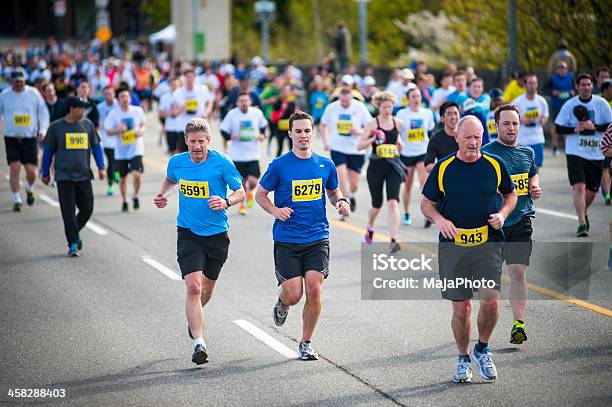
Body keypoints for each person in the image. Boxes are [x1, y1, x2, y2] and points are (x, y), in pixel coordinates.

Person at [421, 115, 517, 383]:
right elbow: (426, 203)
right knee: (462, 308)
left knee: (491, 299)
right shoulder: (443, 168)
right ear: (457, 138)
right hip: (454, 247)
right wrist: (440, 220)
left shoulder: (495, 165)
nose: (474, 143)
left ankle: (482, 349)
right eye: (468, 138)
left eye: (478, 137)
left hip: (487, 244)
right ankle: (463, 358)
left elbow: (511, 195)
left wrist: (503, 214)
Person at [256, 111, 350, 360]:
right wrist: (276, 210)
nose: (303, 135)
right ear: (290, 134)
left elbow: (332, 191)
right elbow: (260, 195)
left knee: (315, 290)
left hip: (317, 236)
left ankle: (306, 342)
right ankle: (283, 303)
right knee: (294, 293)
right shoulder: (280, 165)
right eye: (297, 131)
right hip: (287, 238)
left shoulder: (325, 164)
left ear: (313, 133)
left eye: (307, 130)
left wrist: (340, 201)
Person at [154, 118, 245, 365]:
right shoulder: (177, 162)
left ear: (208, 141)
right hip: (188, 233)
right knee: (193, 287)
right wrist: (164, 195)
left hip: (216, 235)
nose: (197, 146)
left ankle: (195, 317)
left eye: (201, 142)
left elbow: (241, 192)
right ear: (186, 141)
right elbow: (171, 179)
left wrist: (226, 202)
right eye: (192, 141)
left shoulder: (222, 162)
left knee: (207, 290)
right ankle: (199, 343)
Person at [482, 105, 542, 345]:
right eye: (506, 123)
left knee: (517, 272)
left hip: (521, 221)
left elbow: (532, 173)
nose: (511, 128)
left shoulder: (527, 152)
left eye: (515, 123)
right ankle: (485, 322)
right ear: (496, 126)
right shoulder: (486, 153)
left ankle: (518, 323)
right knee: (490, 283)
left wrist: (535, 185)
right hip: (494, 224)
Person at [41, 97, 106, 256]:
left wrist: (101, 167)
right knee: (68, 212)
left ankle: (74, 234)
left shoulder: (87, 125)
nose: (83, 111)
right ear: (72, 109)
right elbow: (48, 152)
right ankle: (73, 244)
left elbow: (96, 147)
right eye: (80, 108)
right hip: (64, 176)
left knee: (87, 209)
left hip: (83, 174)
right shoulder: (56, 128)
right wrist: (45, 173)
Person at [555, 73, 611, 236]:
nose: (586, 87)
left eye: (588, 84)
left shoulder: (601, 104)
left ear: (593, 86)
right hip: (575, 151)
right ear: (577, 87)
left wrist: (595, 127)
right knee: (579, 187)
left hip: (596, 153)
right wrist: (574, 129)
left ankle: (582, 212)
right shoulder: (569, 105)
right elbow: (558, 127)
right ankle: (581, 224)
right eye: (583, 85)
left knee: (592, 192)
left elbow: (609, 126)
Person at [357, 91, 405, 251]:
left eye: (390, 107)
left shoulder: (398, 123)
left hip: (393, 166)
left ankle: (393, 239)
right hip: (376, 166)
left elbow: (396, 139)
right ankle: (370, 226)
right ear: (379, 107)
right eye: (384, 107)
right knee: (376, 205)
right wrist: (373, 138)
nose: (387, 110)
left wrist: (399, 145)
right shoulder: (372, 123)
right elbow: (359, 145)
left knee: (392, 202)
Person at [0, 69, 49, 211]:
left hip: (29, 138)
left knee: (31, 171)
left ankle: (29, 188)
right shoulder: (4, 95)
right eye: (17, 82)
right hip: (11, 137)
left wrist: (43, 130)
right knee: (14, 168)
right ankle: (16, 199)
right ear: (11, 82)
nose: (20, 84)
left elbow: (43, 113)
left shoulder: (33, 93)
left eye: (22, 82)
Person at [320, 88, 372, 217]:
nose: (344, 104)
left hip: (356, 150)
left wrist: (358, 131)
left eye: (347, 102)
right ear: (339, 98)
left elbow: (371, 126)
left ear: (351, 98)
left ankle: (351, 195)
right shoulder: (332, 107)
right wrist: (326, 142)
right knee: (341, 177)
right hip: (338, 148)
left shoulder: (360, 107)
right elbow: (323, 124)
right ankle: (345, 203)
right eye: (342, 101)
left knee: (354, 183)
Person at [219, 92, 268, 215]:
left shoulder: (256, 113)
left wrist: (262, 135)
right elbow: (223, 130)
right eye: (241, 101)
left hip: (252, 154)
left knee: (253, 181)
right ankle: (242, 205)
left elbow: (263, 125)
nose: (244, 103)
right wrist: (230, 136)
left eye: (246, 100)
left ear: (250, 102)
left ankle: (249, 192)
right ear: (237, 102)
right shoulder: (232, 114)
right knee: (240, 183)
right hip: (237, 155)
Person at [396, 88, 435, 226]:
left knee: (425, 184)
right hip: (406, 153)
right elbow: (397, 133)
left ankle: (427, 214)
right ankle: (406, 213)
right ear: (408, 99)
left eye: (418, 96)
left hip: (422, 152)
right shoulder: (401, 114)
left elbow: (430, 132)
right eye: (413, 96)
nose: (416, 99)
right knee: (407, 185)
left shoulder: (427, 113)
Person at [104, 86, 146, 212]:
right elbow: (108, 132)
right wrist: (118, 130)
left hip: (136, 148)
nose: (125, 99)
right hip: (121, 152)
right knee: (123, 178)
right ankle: (124, 200)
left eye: (127, 96)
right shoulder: (113, 114)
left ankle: (135, 196)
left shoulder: (137, 111)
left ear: (130, 97)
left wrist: (141, 131)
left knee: (137, 175)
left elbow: (143, 124)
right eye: (122, 97)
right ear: (118, 99)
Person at [511, 74, 549, 168]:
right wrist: (520, 120)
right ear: (524, 85)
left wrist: (543, 120)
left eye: (534, 83)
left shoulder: (541, 101)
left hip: (537, 139)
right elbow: (509, 117)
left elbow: (545, 115)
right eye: (530, 83)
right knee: (523, 167)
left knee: (536, 167)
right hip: (523, 139)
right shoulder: (517, 102)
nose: (532, 86)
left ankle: (534, 183)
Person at [172, 68, 213, 153]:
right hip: (183, 127)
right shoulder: (178, 93)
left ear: (195, 78)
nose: (189, 79)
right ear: (184, 78)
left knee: (201, 152)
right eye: (187, 77)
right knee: (184, 154)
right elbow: (174, 112)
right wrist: (183, 107)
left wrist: (207, 112)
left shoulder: (202, 89)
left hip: (200, 126)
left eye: (191, 77)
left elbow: (209, 102)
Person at [548, 61, 575, 156]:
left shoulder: (571, 76)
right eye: (560, 68)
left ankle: (567, 146)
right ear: (557, 69)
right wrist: (553, 92)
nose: (562, 70)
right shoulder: (553, 78)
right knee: (555, 125)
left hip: (568, 105)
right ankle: (554, 146)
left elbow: (576, 88)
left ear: (567, 69)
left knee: (567, 124)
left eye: (564, 68)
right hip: (556, 105)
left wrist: (573, 91)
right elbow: (545, 89)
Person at [424, 102, 460, 173]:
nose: (453, 117)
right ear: (442, 119)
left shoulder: (466, 135)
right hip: (446, 177)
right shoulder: (435, 139)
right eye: (449, 114)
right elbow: (428, 166)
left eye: (455, 113)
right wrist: (447, 167)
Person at [97, 86, 119, 195]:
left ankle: (117, 172)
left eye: (110, 93)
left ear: (114, 94)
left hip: (119, 138)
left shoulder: (119, 105)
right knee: (110, 161)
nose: (108, 96)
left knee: (117, 161)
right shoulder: (100, 107)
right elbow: (97, 123)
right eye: (105, 94)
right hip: (107, 138)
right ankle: (110, 185)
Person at [158, 76, 181, 154]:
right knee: (172, 151)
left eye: (176, 85)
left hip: (182, 127)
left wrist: (178, 111)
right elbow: (160, 114)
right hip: (170, 127)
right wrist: (169, 113)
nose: (174, 87)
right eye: (172, 85)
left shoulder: (183, 96)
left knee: (182, 151)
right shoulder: (165, 97)